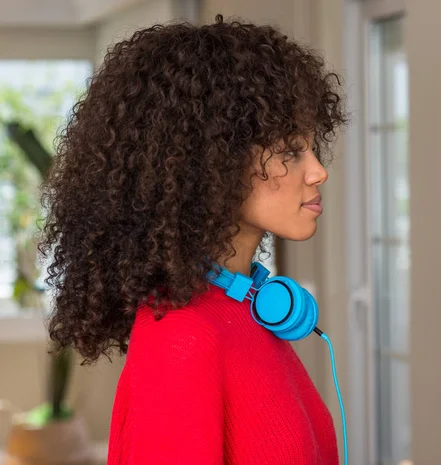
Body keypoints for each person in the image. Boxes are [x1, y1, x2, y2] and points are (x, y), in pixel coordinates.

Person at [37, 15, 347, 465]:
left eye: (312, 147)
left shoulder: (253, 310)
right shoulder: (183, 339)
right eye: (289, 151)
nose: (318, 171)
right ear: (211, 165)